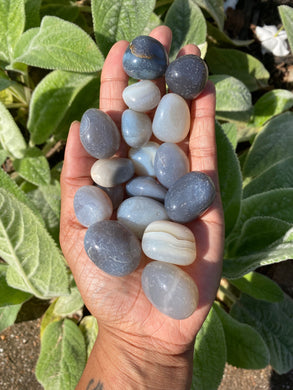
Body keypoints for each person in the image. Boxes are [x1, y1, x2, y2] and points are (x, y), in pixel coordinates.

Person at [60, 25, 225, 390]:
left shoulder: (136, 190)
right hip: (150, 210)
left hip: (154, 209)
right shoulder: (128, 192)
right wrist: (139, 348)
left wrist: (141, 350)